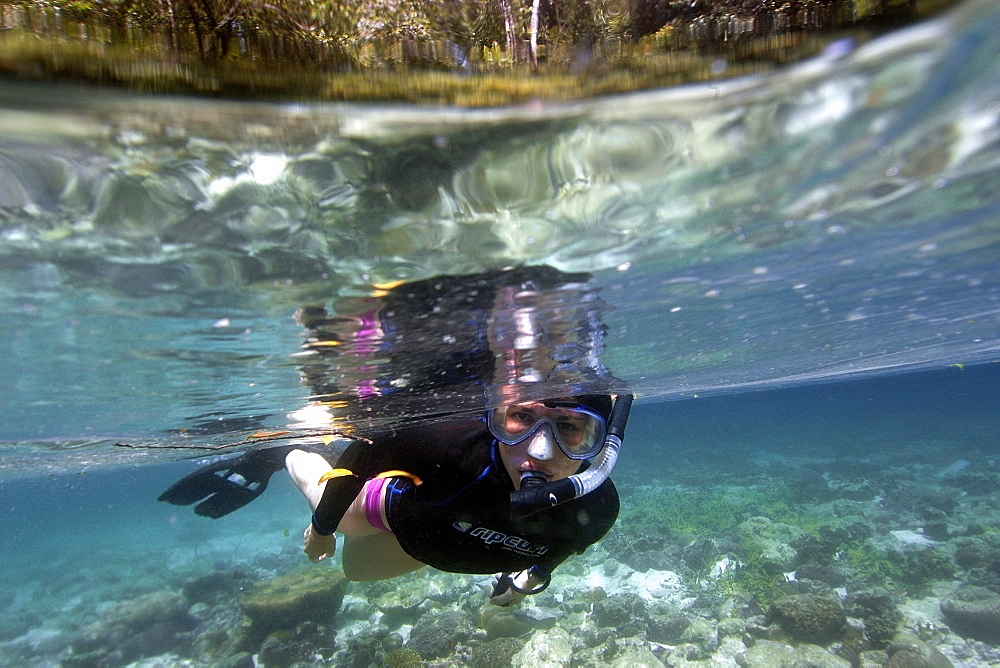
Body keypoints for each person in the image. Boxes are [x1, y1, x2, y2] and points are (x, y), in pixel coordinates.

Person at [160, 391, 631, 606]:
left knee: (357, 572)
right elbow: (356, 464)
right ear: (496, 416)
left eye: (571, 429)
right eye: (521, 419)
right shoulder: (444, 443)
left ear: (601, 444)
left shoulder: (598, 510)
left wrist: (522, 584)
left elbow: (556, 553)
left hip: (437, 539)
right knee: (344, 520)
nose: (541, 450)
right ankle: (288, 452)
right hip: (398, 510)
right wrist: (323, 530)